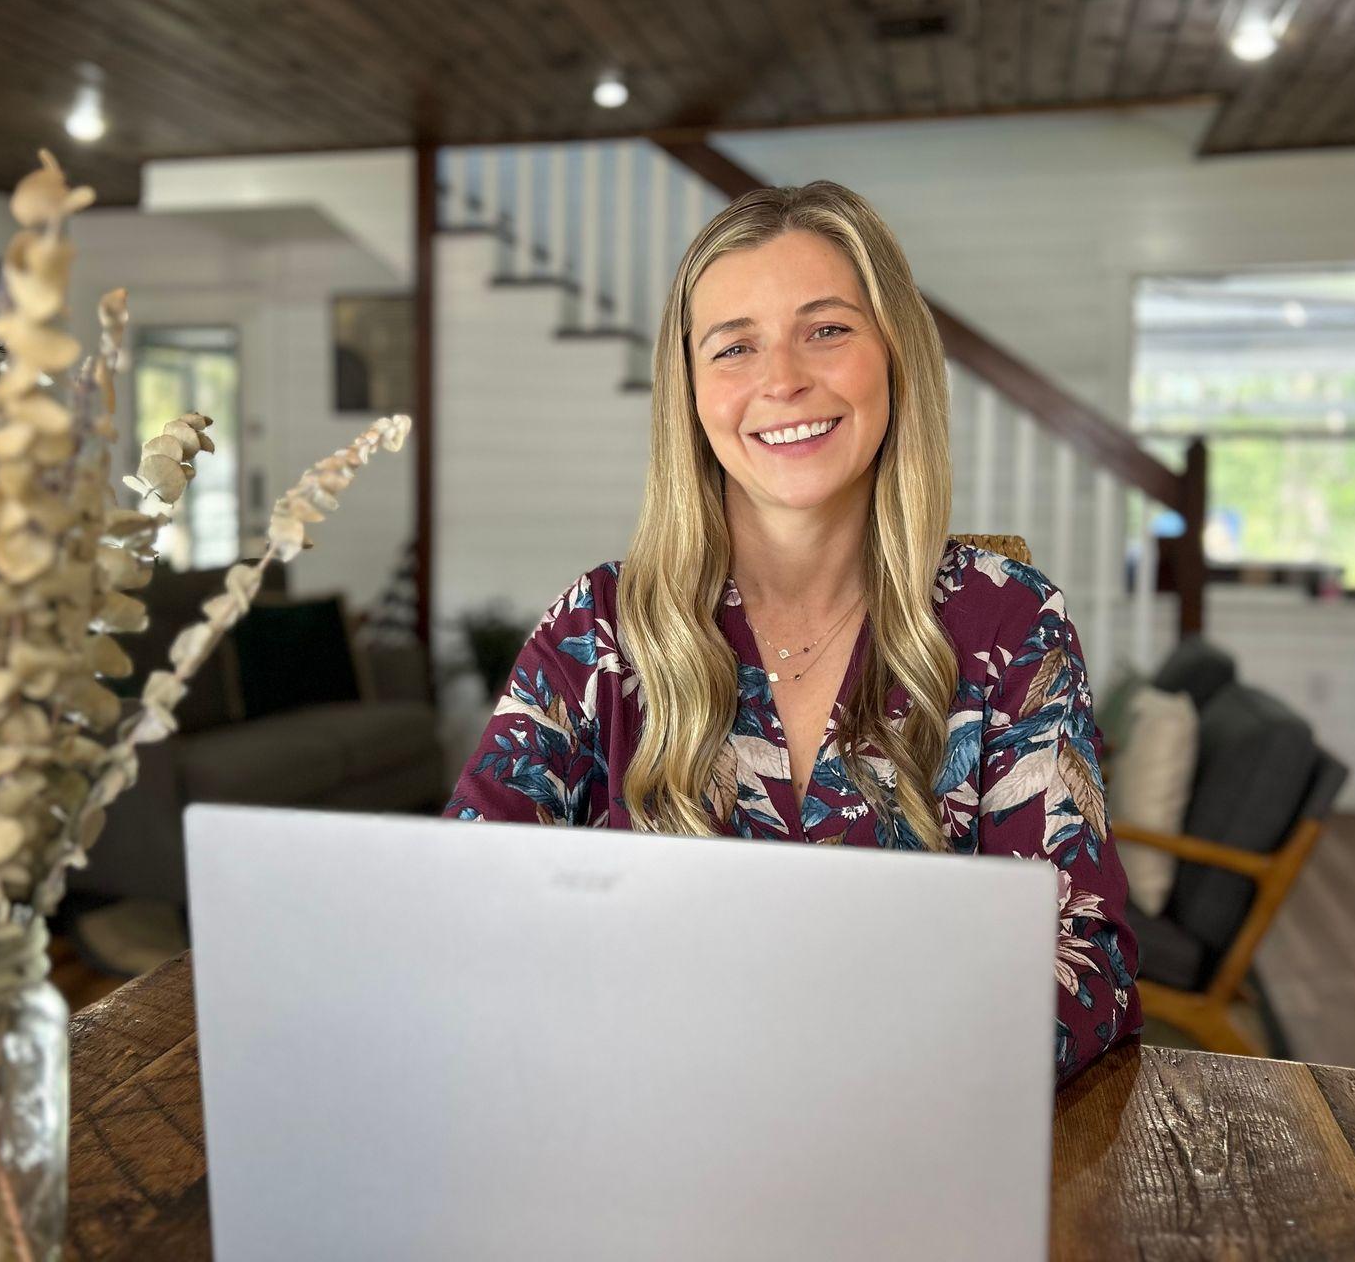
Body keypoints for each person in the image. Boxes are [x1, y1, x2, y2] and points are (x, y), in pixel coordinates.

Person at [443, 180, 1141, 1086]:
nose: (782, 380)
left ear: (895, 355)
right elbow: (460, 907)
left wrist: (850, 1071)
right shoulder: (598, 629)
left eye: (827, 329)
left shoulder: (1008, 620)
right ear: (689, 394)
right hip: (644, 1134)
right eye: (734, 347)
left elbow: (1087, 959)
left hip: (916, 1148)